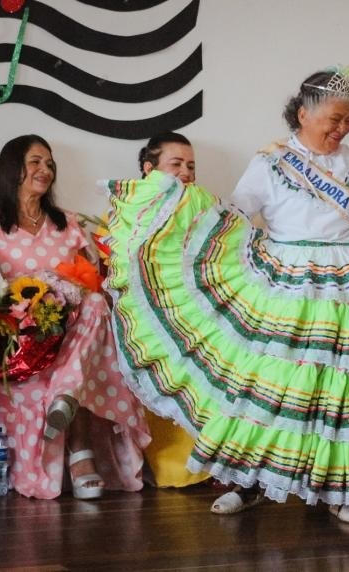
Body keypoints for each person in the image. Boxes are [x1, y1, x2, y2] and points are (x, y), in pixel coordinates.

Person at [104, 62, 349, 522]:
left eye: (348, 119)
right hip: (285, 280)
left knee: (340, 391)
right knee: (266, 387)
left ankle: (340, 489)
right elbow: (238, 215)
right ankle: (246, 484)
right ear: (303, 113)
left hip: (348, 283)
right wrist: (187, 220)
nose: (341, 128)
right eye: (333, 118)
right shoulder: (270, 162)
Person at [0, 134, 150, 500]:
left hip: (75, 336)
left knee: (93, 304)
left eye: (49, 163)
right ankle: (77, 442)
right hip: (20, 345)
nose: (45, 169)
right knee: (36, 484)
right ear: (12, 168)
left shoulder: (69, 225)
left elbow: (97, 282)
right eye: (36, 161)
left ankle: (67, 396)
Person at [131, 132, 210, 488]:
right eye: (175, 164)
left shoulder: (207, 209)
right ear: (149, 169)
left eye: (190, 165)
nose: (186, 172)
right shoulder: (129, 211)